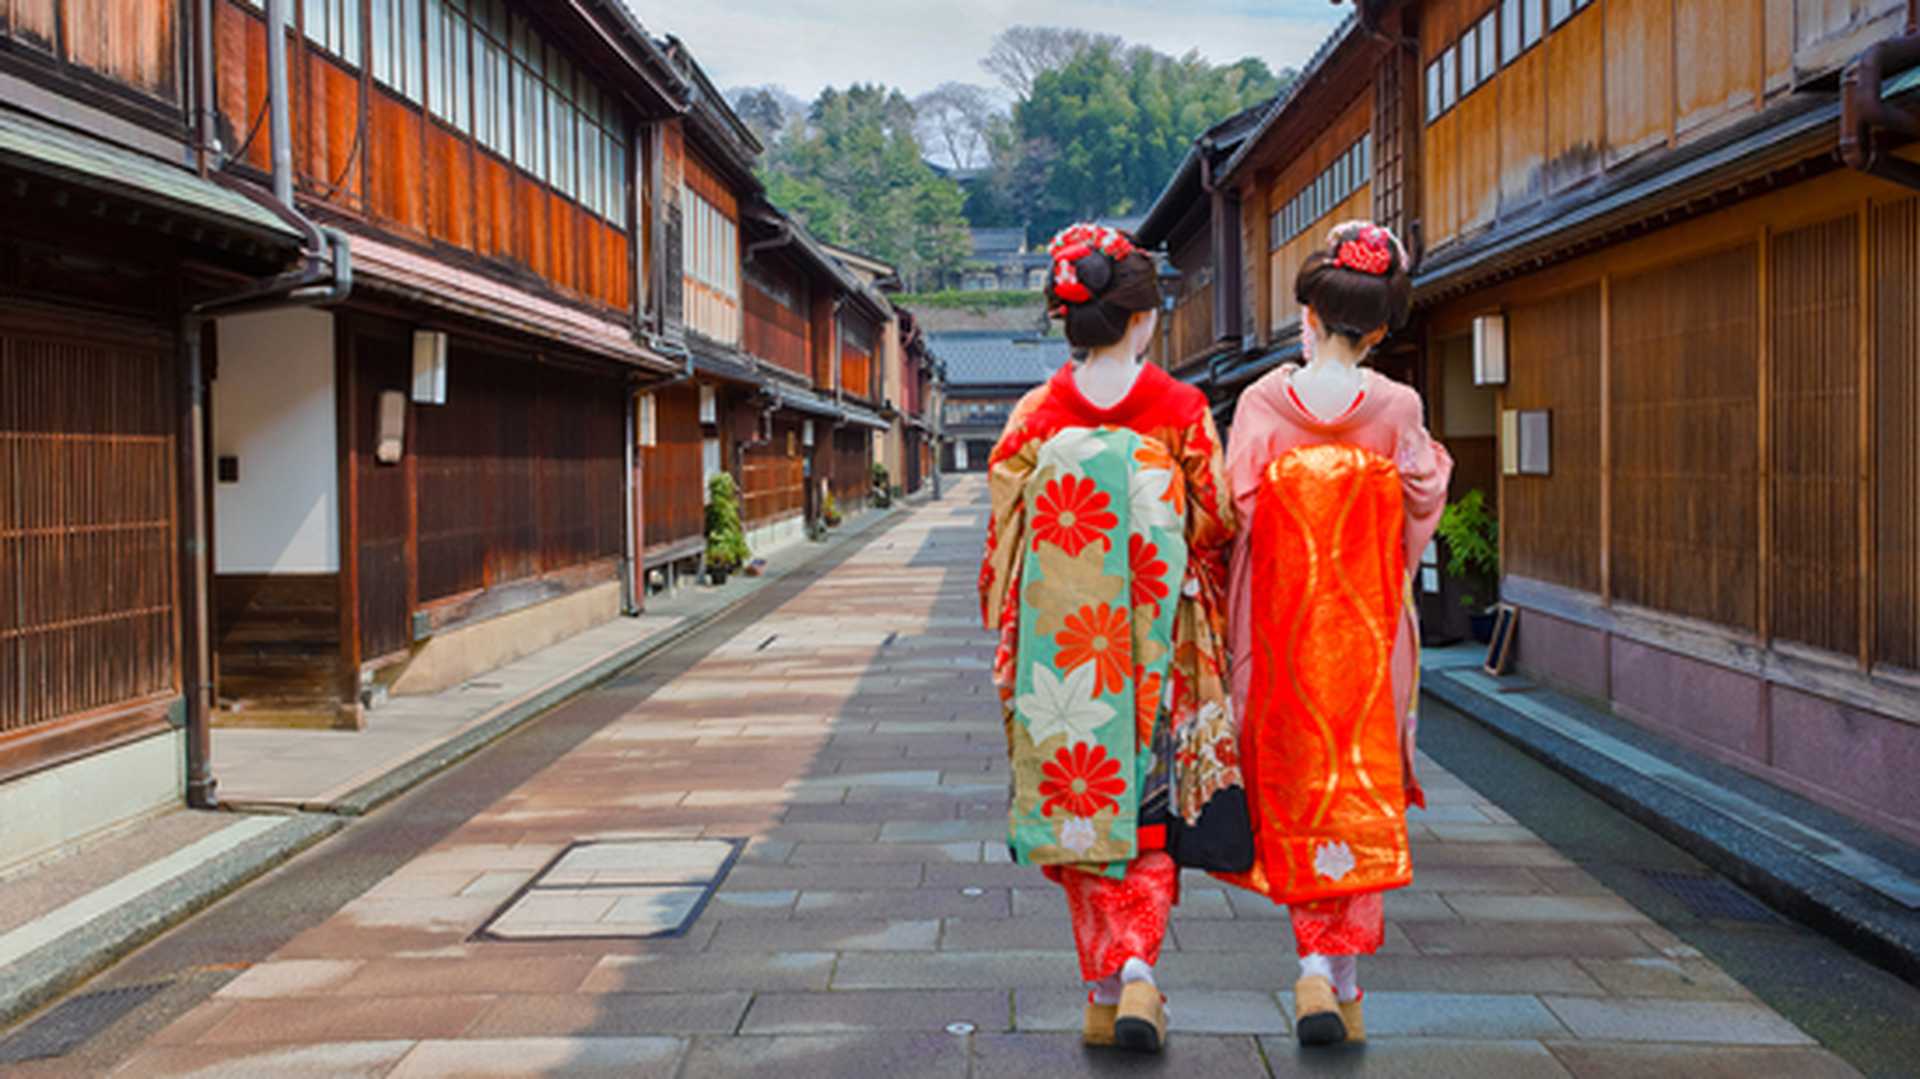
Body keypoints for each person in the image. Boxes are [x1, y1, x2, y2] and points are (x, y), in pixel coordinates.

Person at [979, 223, 1249, 1053]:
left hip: (1062, 651)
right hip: (1156, 645)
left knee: (1078, 804)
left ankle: (1105, 987)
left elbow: (1005, 537)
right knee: (1149, 810)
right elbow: (1217, 521)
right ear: (1141, 319)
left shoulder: (1035, 417)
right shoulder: (1181, 410)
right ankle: (1136, 972)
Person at [1221, 221, 1452, 1048]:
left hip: (1279, 634)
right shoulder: (1398, 407)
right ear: (1381, 329)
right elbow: (1420, 505)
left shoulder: (1261, 403)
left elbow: (1235, 511)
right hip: (1366, 633)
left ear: (1307, 316)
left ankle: (1318, 965)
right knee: (1359, 784)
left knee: (1296, 785)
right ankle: (1335, 975)